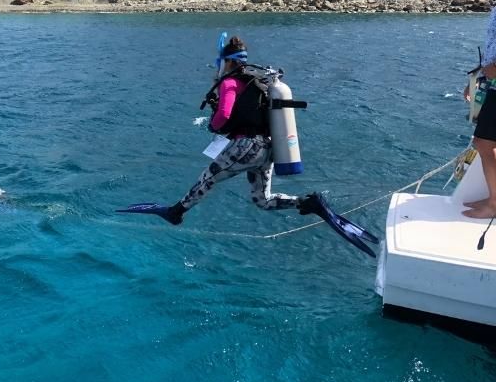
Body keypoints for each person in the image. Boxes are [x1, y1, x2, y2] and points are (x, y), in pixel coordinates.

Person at [118, 35, 378, 257]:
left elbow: (225, 115)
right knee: (262, 200)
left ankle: (176, 212)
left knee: (209, 177)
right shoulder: (256, 80)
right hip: (268, 149)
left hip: (247, 146)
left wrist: (215, 125)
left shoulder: (231, 82)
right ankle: (308, 203)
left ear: (228, 61)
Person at [463, 0, 496, 219]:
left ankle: (495, 204)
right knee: (487, 144)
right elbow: (489, 53)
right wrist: (474, 80)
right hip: (491, 83)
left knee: (483, 143)